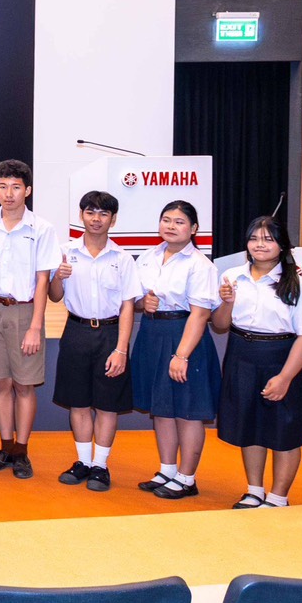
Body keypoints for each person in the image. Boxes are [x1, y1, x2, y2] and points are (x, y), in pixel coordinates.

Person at [213, 216, 302, 509]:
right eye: (254, 238)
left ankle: (278, 497)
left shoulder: (297, 283)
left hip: (281, 358)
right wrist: (227, 302)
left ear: (282, 245)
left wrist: (285, 377)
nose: (259, 245)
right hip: (241, 354)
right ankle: (254, 490)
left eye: (268, 239)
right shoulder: (233, 276)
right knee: (249, 425)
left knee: (285, 431)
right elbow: (220, 324)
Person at [0, 160, 59, 480]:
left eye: (16, 187)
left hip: (25, 311)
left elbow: (43, 281)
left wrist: (35, 326)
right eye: (3, 186)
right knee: (0, 383)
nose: (9, 194)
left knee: (24, 384)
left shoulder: (42, 229)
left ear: (27, 190)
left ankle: (21, 450)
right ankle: (6, 447)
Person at [129, 200, 221, 500]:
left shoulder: (200, 265)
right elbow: (136, 299)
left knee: (187, 411)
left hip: (185, 336)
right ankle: (167, 470)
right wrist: (144, 303)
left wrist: (182, 355)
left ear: (194, 229)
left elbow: (200, 314)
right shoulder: (148, 256)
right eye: (166, 220)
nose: (171, 226)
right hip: (152, 334)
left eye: (179, 222)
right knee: (162, 408)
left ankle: (187, 477)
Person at [48, 190, 139, 492]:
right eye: (90, 212)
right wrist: (58, 277)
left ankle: (101, 465)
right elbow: (54, 296)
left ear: (113, 219)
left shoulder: (123, 259)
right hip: (75, 330)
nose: (96, 219)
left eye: (103, 213)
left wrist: (121, 349)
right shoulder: (65, 252)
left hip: (111, 334)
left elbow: (128, 306)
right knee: (79, 402)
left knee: (107, 404)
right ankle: (83, 462)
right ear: (81, 216)